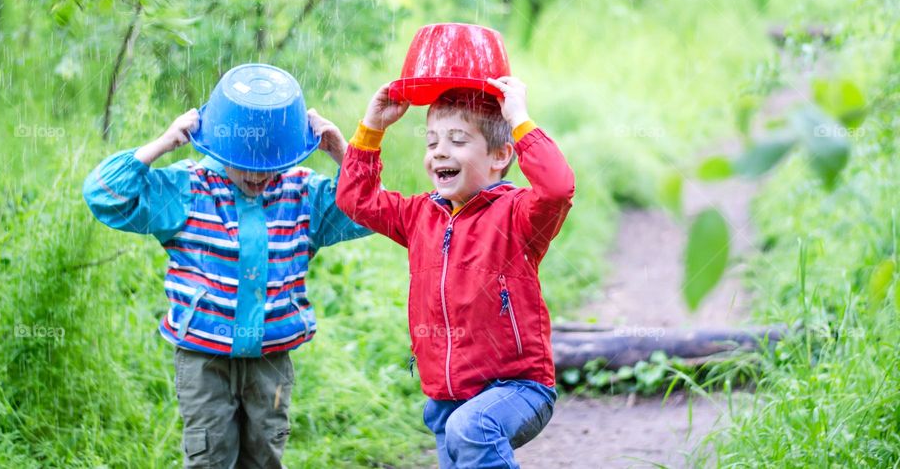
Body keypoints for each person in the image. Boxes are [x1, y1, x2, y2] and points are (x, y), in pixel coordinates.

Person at [83, 64, 371, 468]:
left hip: (271, 358)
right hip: (204, 360)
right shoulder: (187, 188)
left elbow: (369, 211)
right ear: (218, 145)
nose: (259, 174)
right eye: (246, 162)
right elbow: (103, 195)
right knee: (209, 456)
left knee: (265, 455)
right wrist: (161, 144)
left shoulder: (302, 194)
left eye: (271, 163)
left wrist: (343, 152)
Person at [336, 76, 575, 468]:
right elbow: (356, 199)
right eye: (432, 143)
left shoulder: (518, 216)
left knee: (474, 426)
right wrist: (372, 127)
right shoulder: (419, 216)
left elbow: (557, 188)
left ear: (500, 156)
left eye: (458, 141)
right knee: (464, 426)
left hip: (519, 386)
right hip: (447, 399)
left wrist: (518, 118)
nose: (440, 153)